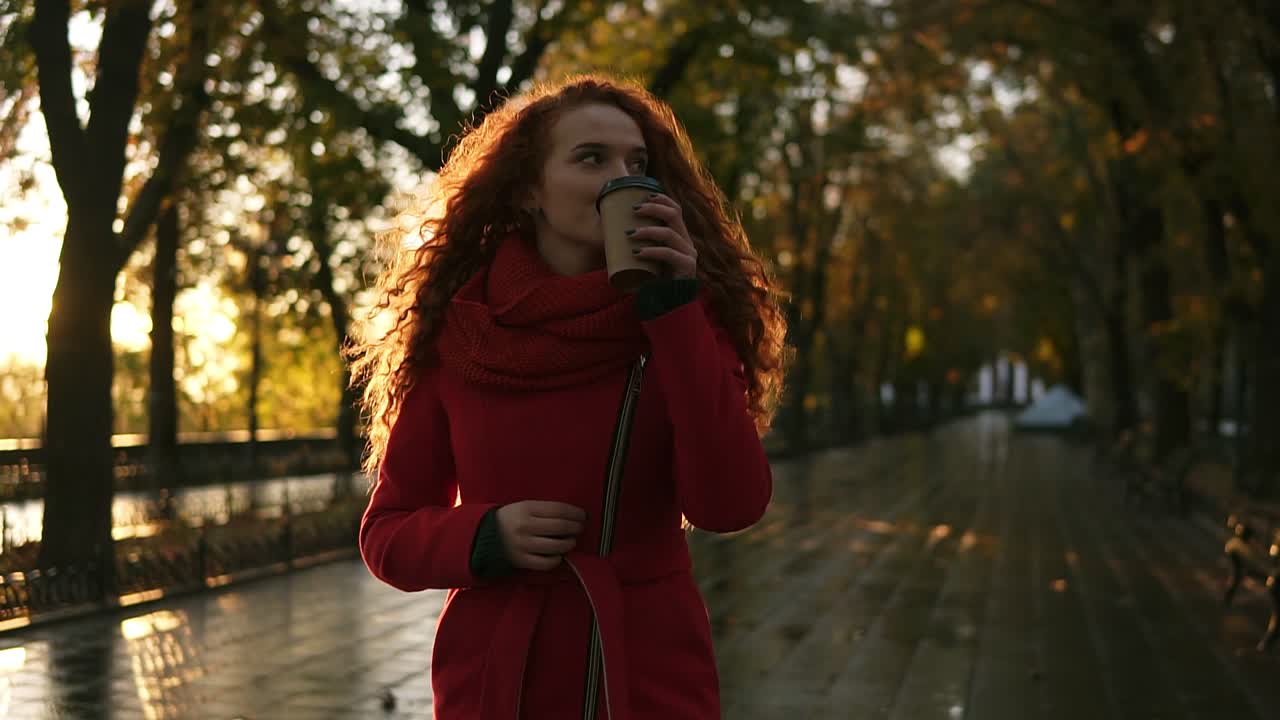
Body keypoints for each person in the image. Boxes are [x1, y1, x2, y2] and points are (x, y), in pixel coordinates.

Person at [348, 73, 787, 719]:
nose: (622, 177)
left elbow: (730, 504)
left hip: (646, 674)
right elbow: (386, 535)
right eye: (591, 158)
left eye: (639, 164)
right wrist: (483, 535)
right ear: (530, 189)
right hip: (496, 677)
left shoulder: (687, 324)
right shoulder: (460, 332)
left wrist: (674, 310)